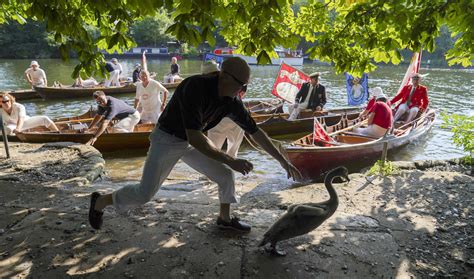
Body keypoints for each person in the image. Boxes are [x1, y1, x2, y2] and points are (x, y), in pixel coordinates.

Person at [88, 57, 302, 233]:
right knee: (145, 194)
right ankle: (100, 202)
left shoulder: (231, 101)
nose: (243, 90)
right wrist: (232, 159)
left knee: (225, 175)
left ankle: (224, 219)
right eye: (241, 85)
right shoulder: (195, 87)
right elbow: (195, 138)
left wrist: (283, 161)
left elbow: (256, 132)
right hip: (167, 138)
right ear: (224, 77)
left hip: (191, 140)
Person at [205, 60, 245, 158]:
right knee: (233, 151)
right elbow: (241, 94)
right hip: (237, 117)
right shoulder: (236, 79)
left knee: (213, 149)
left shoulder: (205, 84)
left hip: (218, 118)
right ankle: (230, 169)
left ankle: (214, 170)